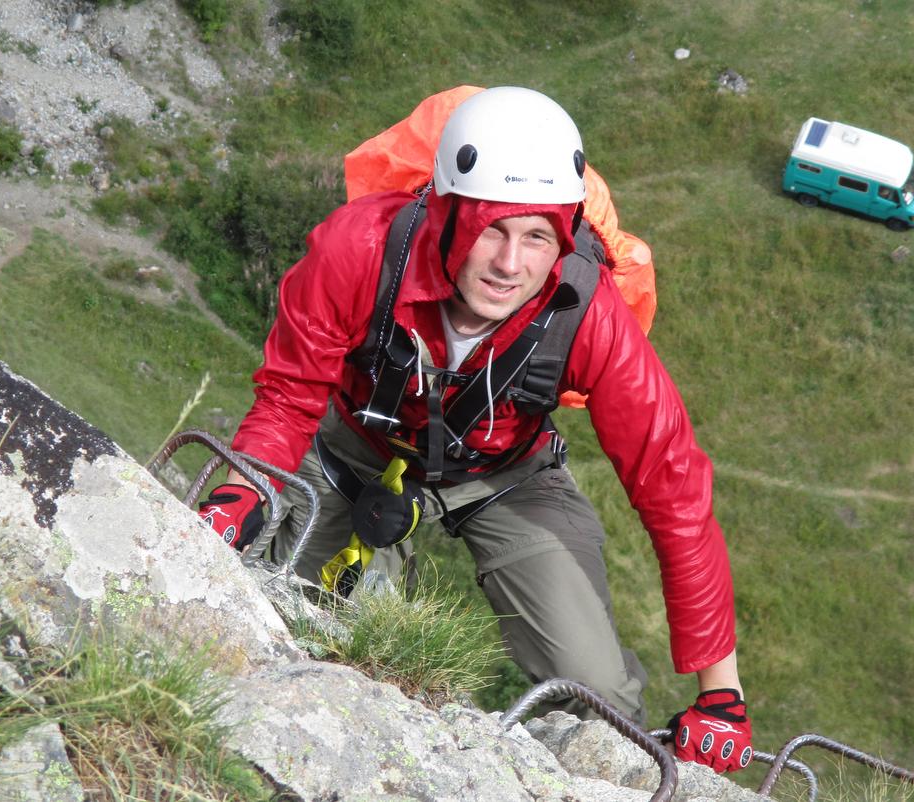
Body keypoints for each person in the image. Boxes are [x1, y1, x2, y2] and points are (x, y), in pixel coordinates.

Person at [198, 86, 752, 773]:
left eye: (536, 237)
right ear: (447, 213)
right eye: (492, 229)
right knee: (296, 622)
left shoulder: (588, 313)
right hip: (355, 450)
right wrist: (243, 491)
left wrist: (720, 693)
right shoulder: (358, 250)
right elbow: (288, 397)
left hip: (506, 473)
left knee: (597, 694)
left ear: (565, 235)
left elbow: (672, 486)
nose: (510, 264)